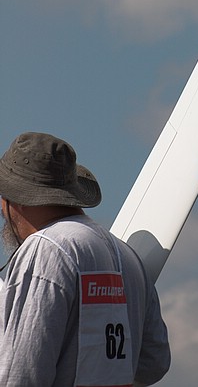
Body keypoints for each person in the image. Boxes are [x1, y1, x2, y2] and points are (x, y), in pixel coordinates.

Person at [0, 132, 170, 387]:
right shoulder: (128, 256)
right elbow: (153, 364)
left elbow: (19, 376)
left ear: (17, 201)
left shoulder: (46, 249)